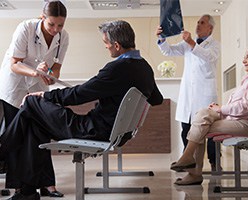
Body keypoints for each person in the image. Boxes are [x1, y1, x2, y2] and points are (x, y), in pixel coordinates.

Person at [0, 19, 163, 200]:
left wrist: (44, 95)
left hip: (92, 131)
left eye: (106, 43)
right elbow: (157, 99)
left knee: (31, 103)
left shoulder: (116, 69)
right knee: (34, 122)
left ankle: (2, 150)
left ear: (116, 45)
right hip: (114, 133)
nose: (106, 47)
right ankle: (27, 191)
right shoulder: (145, 68)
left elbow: (79, 95)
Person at [170, 45, 248, 185]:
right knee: (202, 113)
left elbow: (245, 107)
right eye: (244, 57)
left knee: (200, 127)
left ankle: (192, 167)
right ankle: (189, 160)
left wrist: (221, 109)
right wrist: (218, 110)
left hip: (244, 124)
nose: (244, 60)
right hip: (233, 119)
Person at [0, 0, 69, 198]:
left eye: (60, 25)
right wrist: (36, 73)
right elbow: (14, 63)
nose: (56, 29)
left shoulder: (63, 36)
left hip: (37, 87)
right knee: (19, 137)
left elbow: (56, 67)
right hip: (15, 86)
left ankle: (48, 184)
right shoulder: (25, 28)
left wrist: (49, 74)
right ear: (42, 18)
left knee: (40, 133)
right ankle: (19, 188)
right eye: (51, 24)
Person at [156, 14, 220, 170]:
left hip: (205, 94)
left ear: (210, 28)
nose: (198, 25)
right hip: (188, 94)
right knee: (186, 129)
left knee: (211, 132)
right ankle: (189, 161)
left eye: (202, 23)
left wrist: (191, 42)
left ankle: (215, 163)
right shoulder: (187, 45)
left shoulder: (214, 45)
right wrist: (162, 39)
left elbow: (209, 57)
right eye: (197, 22)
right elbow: (169, 51)